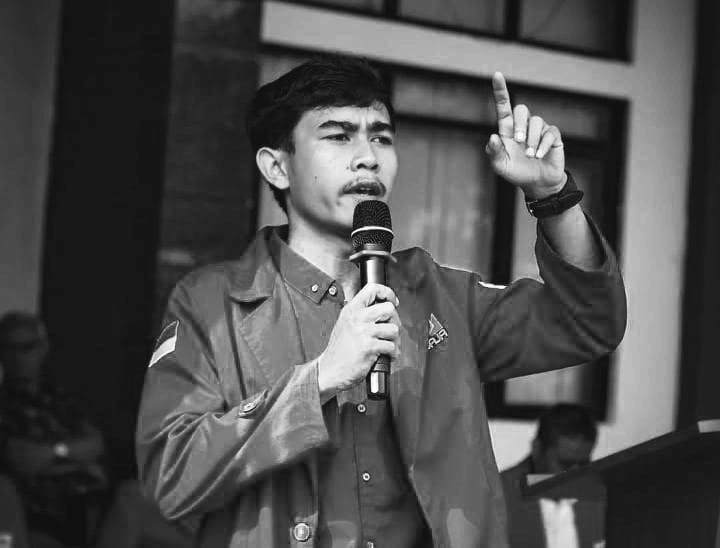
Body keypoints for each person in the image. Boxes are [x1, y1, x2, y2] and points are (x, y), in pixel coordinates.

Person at [136, 53, 626, 547]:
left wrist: (553, 196)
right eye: (339, 136)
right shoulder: (212, 303)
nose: (367, 156)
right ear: (277, 167)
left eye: (381, 137)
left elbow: (588, 323)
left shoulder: (437, 295)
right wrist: (318, 380)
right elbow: (170, 475)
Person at [0, 311, 108, 547]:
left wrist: (53, 453)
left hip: (86, 509)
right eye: (9, 348)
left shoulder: (61, 400)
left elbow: (95, 445)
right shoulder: (4, 405)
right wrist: (77, 461)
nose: (18, 357)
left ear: (43, 349)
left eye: (27, 347)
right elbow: (23, 461)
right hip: (32, 516)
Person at [501, 404, 605, 548]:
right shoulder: (498, 496)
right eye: (565, 464)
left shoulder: (602, 495)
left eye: (583, 464)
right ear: (537, 450)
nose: (574, 475)